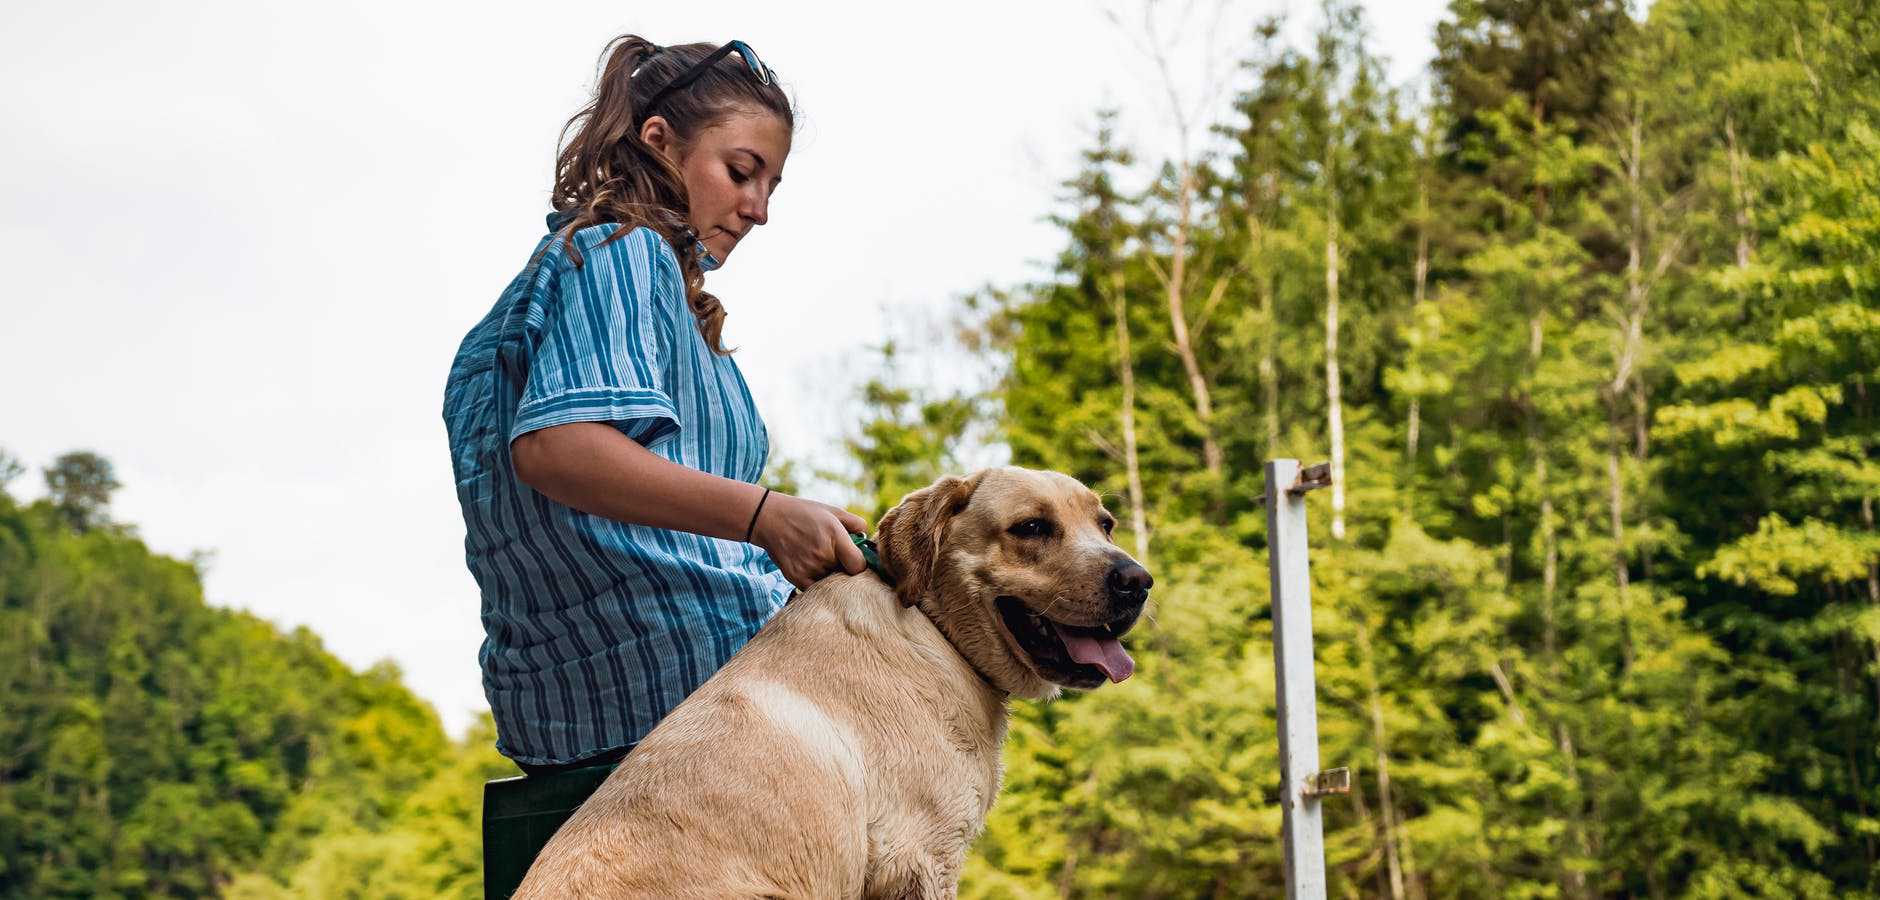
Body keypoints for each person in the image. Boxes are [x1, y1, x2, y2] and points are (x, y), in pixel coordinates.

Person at [444, 35, 867, 775]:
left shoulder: (578, 276)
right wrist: (767, 516)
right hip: (686, 694)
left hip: (571, 714)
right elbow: (559, 446)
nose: (759, 208)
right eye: (741, 171)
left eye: (772, 186)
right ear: (659, 142)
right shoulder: (622, 252)